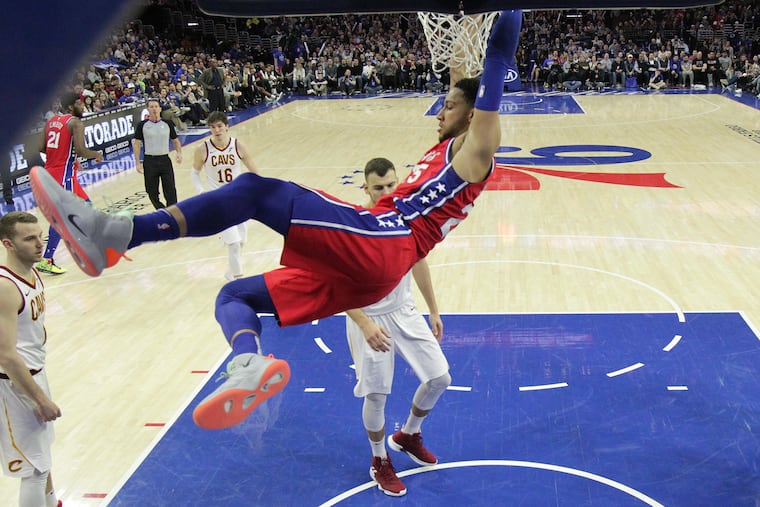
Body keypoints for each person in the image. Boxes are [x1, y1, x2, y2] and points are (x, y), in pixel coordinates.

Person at [29, 10, 522, 432]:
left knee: (255, 190)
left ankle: (114, 235)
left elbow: (495, 63)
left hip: (384, 239)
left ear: (475, 113)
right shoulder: (447, 146)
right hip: (372, 268)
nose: (440, 111)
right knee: (233, 295)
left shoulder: (475, 152)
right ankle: (247, 364)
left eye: (450, 106)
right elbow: (467, 70)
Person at [347, 158, 450, 497]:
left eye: (392, 185)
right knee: (377, 394)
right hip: (368, 317)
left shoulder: (406, 218)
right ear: (366, 188)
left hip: (403, 309)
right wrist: (363, 324)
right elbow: (335, 286)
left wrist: (433, 310)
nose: (388, 192)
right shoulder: (352, 226)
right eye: (379, 188)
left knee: (439, 378)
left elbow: (419, 261)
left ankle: (408, 434)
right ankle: (380, 459)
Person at [0, 212, 63, 507]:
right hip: (15, 385)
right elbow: (6, 355)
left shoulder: (32, 270)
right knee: (34, 469)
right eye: (29, 239)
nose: (40, 244)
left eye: (40, 236)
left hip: (35, 373)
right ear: (8, 244)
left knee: (43, 457)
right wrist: (39, 399)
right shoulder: (5, 287)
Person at [36, 92, 104, 275]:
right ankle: (48, 258)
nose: (82, 107)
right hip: (63, 176)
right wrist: (96, 154)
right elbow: (81, 150)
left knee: (87, 207)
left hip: (53, 172)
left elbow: (42, 148)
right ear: (69, 107)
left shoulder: (51, 122)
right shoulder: (75, 122)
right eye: (78, 104)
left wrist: (68, 158)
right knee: (62, 219)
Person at [191, 111, 258, 280]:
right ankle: (238, 280)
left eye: (219, 126)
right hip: (218, 201)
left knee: (241, 242)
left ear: (227, 126)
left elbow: (254, 171)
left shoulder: (238, 145)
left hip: (239, 199)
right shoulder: (202, 148)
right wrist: (200, 191)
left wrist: (259, 190)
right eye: (213, 127)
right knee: (234, 244)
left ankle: (230, 273)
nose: (217, 130)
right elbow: (194, 173)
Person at [133, 98, 183, 210]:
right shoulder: (142, 125)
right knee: (151, 191)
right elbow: (136, 144)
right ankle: (162, 211)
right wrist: (137, 162)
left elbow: (175, 140)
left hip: (165, 159)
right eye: (151, 107)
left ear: (160, 109)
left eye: (156, 106)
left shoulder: (167, 124)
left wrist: (179, 153)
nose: (154, 109)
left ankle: (173, 213)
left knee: (170, 190)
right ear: (148, 109)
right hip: (149, 161)